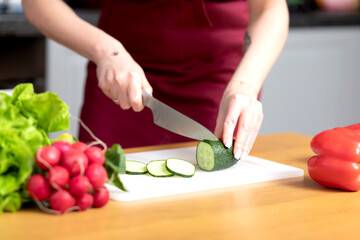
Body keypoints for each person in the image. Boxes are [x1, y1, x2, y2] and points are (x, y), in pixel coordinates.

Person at [22, 0, 289, 160]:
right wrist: (105, 52)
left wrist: (245, 86)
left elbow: (270, 8)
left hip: (220, 81)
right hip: (121, 74)